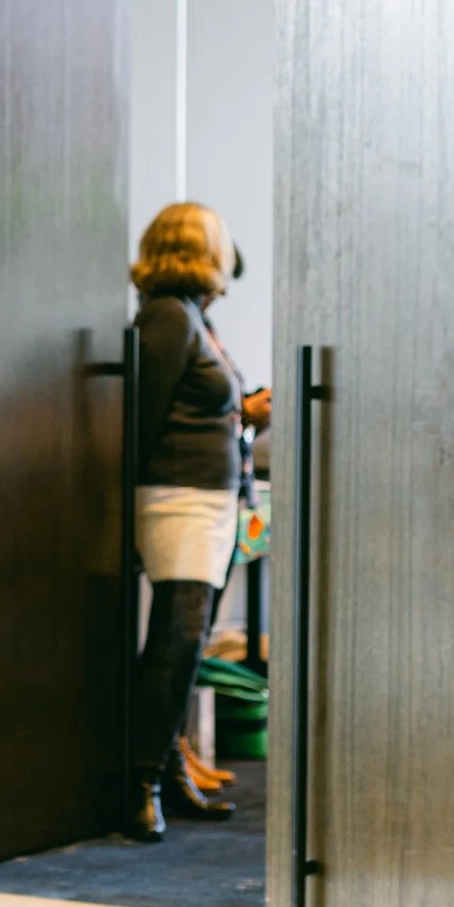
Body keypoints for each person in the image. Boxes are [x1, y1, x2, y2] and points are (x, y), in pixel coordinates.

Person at [126, 202, 272, 843]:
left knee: (188, 647)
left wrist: (242, 410)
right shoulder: (166, 317)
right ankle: (140, 782)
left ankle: (170, 773)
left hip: (207, 502)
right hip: (177, 500)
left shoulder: (191, 318)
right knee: (177, 643)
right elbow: (145, 417)